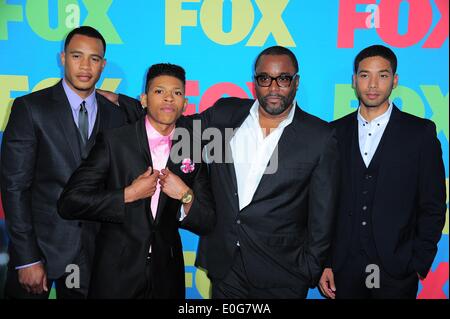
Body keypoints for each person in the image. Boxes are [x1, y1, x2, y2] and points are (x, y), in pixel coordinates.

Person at [110, 46, 340, 298]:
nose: (273, 87)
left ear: (296, 82)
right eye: (265, 78)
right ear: (255, 82)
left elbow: (323, 212)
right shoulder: (227, 114)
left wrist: (311, 266)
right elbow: (178, 122)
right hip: (227, 268)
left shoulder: (319, 136)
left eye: (283, 79)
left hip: (283, 272)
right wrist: (125, 102)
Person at [57, 63, 215, 298]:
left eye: (177, 93)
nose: (168, 99)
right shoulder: (114, 142)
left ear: (185, 103)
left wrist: (185, 195)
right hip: (115, 274)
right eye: (159, 91)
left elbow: (207, 221)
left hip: (167, 275)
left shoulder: (191, 145)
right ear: (143, 99)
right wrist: (127, 194)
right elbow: (70, 203)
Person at [0, 26, 131, 299]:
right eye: (76, 56)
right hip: (40, 250)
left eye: (94, 59)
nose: (85, 66)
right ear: (62, 58)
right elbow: (14, 187)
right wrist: (26, 258)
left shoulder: (115, 116)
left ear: (103, 64)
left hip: (93, 254)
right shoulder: (31, 108)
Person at [318, 44, 446, 299]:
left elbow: (432, 204)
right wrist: (325, 261)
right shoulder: (332, 133)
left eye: (383, 75)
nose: (373, 84)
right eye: (365, 75)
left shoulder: (420, 134)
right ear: (354, 81)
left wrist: (418, 261)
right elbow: (323, 204)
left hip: (397, 270)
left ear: (395, 80)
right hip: (344, 269)